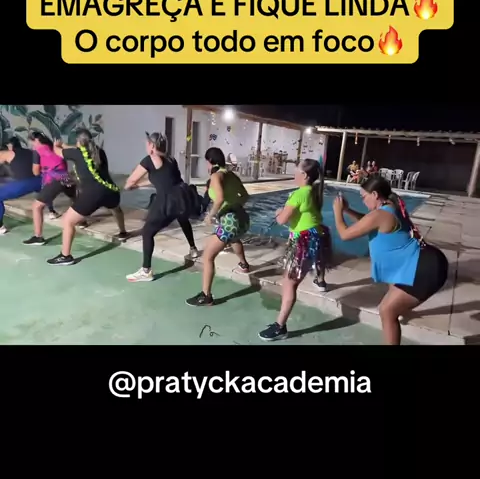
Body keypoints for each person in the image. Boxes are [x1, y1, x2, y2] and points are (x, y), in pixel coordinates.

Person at [332, 174, 448, 345]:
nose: (362, 200)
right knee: (392, 298)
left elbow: (344, 234)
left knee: (387, 311)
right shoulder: (390, 207)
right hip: (423, 261)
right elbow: (366, 222)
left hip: (424, 268)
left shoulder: (381, 214)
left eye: (363, 197)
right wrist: (347, 210)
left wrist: (337, 212)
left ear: (375, 195)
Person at [258, 159, 332, 341]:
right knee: (301, 272)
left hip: (303, 242)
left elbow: (282, 220)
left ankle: (280, 327)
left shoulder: (299, 194)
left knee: (289, 283)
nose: (294, 174)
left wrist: (278, 212)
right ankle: (320, 281)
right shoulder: (314, 191)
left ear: (304, 175)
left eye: (296, 171)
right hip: (315, 238)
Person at [44, 128, 127, 266]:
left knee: (67, 221)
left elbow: (58, 152)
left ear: (78, 142)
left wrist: (56, 145)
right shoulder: (99, 151)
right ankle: (123, 232)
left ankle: (65, 256)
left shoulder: (76, 153)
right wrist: (65, 145)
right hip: (110, 190)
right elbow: (78, 149)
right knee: (116, 209)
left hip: (93, 194)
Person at [125, 132, 200, 283]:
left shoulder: (149, 160)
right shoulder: (170, 159)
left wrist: (129, 185)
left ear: (152, 146)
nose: (146, 145)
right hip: (181, 197)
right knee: (182, 218)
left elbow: (131, 181)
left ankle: (146, 271)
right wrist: (140, 185)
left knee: (147, 232)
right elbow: (161, 179)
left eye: (148, 143)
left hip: (167, 201)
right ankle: (193, 249)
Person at [186, 147, 250, 307]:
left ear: (210, 161)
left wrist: (211, 214)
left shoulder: (216, 176)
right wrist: (233, 206)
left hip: (230, 221)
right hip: (242, 219)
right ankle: (244, 265)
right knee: (234, 239)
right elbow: (245, 196)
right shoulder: (231, 174)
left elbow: (219, 198)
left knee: (207, 256)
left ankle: (206, 296)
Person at [21, 131, 79, 246]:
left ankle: (38, 237)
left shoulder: (37, 151)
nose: (32, 145)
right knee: (76, 200)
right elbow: (74, 151)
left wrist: (43, 170)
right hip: (67, 178)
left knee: (36, 206)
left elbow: (35, 172)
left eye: (32, 142)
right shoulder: (56, 146)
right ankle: (82, 221)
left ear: (36, 141)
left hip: (54, 179)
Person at [0, 136, 42, 235]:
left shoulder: (8, 153)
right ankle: (53, 211)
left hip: (24, 184)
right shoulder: (30, 151)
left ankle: (0, 227)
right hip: (39, 181)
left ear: (10, 146)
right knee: (44, 194)